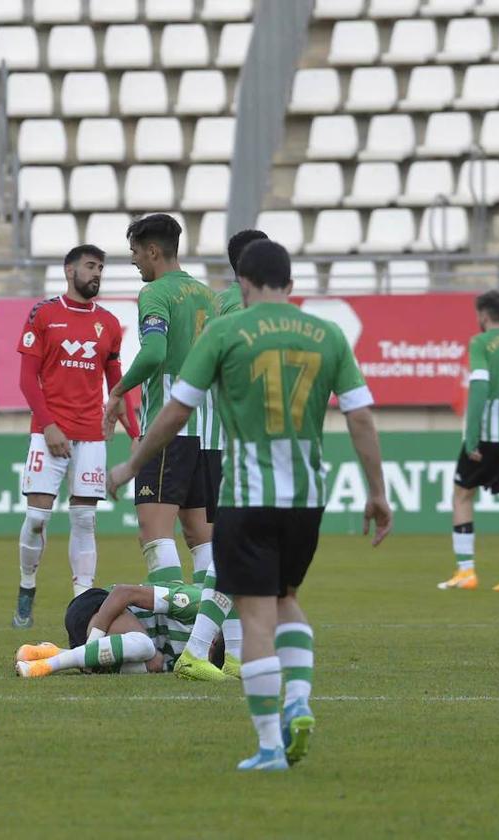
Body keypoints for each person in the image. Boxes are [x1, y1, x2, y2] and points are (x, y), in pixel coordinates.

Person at [108, 238, 392, 772]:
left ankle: (268, 747)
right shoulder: (327, 335)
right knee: (287, 599)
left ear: (242, 282)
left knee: (257, 614)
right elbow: (360, 416)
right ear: (290, 284)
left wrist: (130, 463)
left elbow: (174, 413)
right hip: (307, 498)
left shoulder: (225, 330)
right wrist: (376, 491)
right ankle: (300, 700)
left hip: (246, 493)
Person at [101, 214, 219, 680]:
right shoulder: (207, 294)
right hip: (210, 433)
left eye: (134, 252)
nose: (132, 261)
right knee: (203, 543)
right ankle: (213, 640)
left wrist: (117, 392)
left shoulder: (156, 293)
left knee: (156, 538)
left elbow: (152, 353)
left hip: (169, 431)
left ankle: (175, 647)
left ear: (152, 251)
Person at [11, 244, 139, 629]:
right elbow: (26, 379)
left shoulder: (110, 323)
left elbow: (116, 384)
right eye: (90, 266)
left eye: (100, 266)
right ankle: (27, 585)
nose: (96, 272)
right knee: (37, 517)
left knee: (84, 519)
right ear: (70, 271)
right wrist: (48, 424)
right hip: (48, 433)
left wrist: (135, 431)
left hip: (91, 436)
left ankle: (83, 602)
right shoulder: (44, 314)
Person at [175, 229, 269, 681]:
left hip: (231, 441)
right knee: (235, 554)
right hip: (236, 444)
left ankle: (229, 654)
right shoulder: (237, 307)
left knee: (238, 554)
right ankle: (196, 650)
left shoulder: (232, 305)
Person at [13, 579, 203, 678]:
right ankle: (44, 667)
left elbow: (157, 662)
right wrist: (92, 643)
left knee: (154, 663)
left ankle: (51, 653)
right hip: (97, 607)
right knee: (144, 645)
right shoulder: (198, 603)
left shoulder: (203, 663)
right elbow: (123, 593)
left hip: (115, 645)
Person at [439, 290, 499, 591]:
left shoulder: (481, 343)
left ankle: (466, 572)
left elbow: (478, 387)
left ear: (484, 315)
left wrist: (472, 437)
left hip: (488, 434)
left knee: (463, 494)